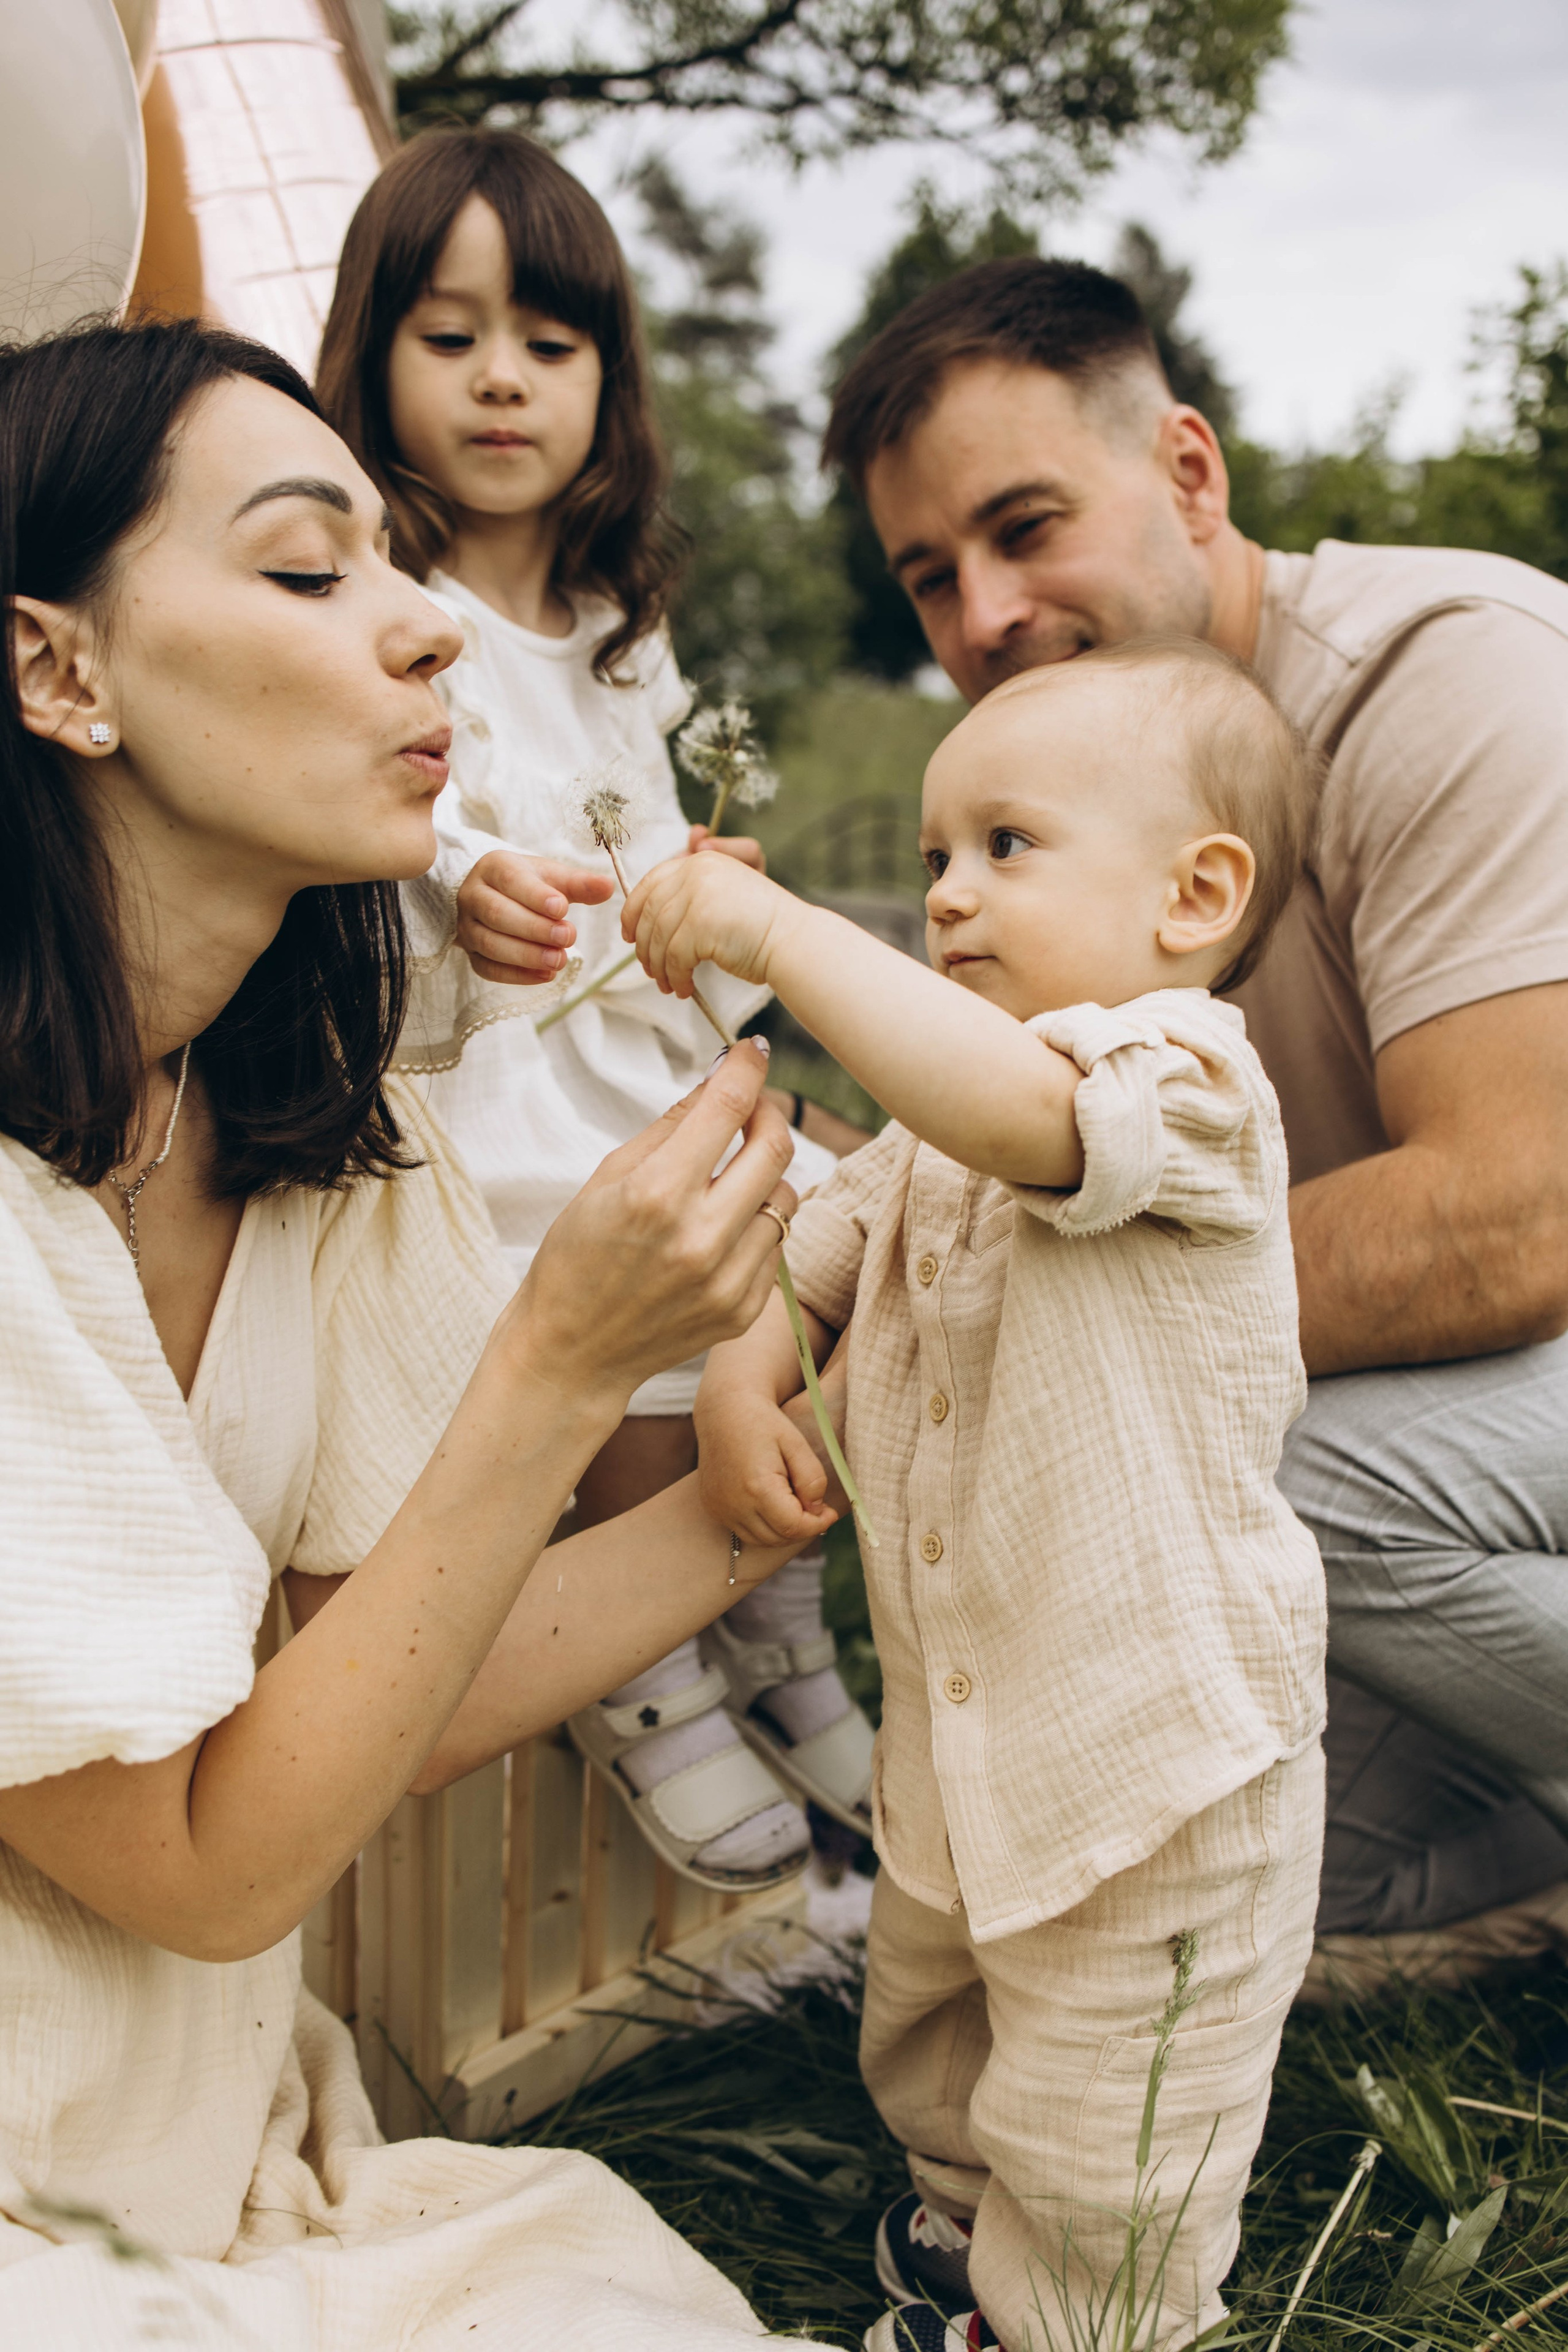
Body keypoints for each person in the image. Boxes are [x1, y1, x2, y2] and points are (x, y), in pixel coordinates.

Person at [0, 313, 845, 2350]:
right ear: (56, 668)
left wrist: (784, 1483)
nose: (428, 629)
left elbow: (344, 1702)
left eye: (400, 561)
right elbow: (206, 1872)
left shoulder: (303, 1131)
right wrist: (563, 1369)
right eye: (312, 568)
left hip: (205, 2156)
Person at [821, 255, 1568, 1962]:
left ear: (1188, 474)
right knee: (1225, 1892)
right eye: (931, 576)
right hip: (1450, 1432)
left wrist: (1004, 1339)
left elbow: (1516, 1222)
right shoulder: (1059, 809)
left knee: (1244, 1457)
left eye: (1027, 526)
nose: (985, 616)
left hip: (1509, 1369)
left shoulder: (1449, 676)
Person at [623, 636, 1329, 2352]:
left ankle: (1079, 2314)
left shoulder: (1186, 1084)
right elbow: (813, 1246)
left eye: (1003, 847)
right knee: (933, 2019)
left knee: (1113, 2109)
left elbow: (1030, 1118)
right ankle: (960, 2221)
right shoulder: (941, 1116)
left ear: (1196, 894)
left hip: (1162, 1754)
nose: (947, 893)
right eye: (933, 857)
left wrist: (787, 941)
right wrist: (737, 1381)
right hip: (968, 1716)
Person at [316, 128, 875, 1893]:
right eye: (451, 333)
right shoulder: (380, 603)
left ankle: (775, 1620)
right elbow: (384, 806)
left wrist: (713, 887)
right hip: (490, 1059)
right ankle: (639, 1670)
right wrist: (452, 872)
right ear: (374, 355)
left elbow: (644, 822)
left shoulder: (625, 628)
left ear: (607, 385)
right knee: (600, 1241)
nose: (500, 380)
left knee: (793, 1228)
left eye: (548, 345)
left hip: (635, 1035)